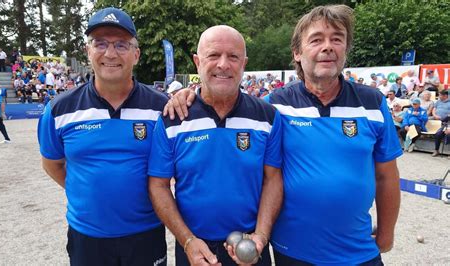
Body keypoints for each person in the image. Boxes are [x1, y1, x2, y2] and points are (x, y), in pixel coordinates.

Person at [165, 5, 402, 265]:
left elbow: (386, 175)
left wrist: (387, 235)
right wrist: (190, 93)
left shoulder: (372, 103)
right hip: (292, 252)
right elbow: (228, 98)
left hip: (358, 251)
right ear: (298, 53)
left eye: (337, 38)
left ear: (346, 49)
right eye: (316, 40)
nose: (328, 46)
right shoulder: (274, 107)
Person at [37, 7, 168, 265]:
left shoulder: (161, 107)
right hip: (88, 237)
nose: (110, 54)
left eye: (121, 44)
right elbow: (52, 164)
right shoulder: (59, 109)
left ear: (136, 54)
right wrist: (87, 191)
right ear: (88, 51)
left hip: (145, 235)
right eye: (100, 44)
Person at [149, 25, 283, 266]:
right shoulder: (173, 117)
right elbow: (158, 185)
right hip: (195, 248)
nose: (223, 64)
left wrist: (261, 236)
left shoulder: (267, 116)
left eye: (233, 56)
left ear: (244, 63)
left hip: (251, 246)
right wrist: (187, 240)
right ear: (197, 62)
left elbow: (273, 179)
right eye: (213, 55)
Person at [431, 90, 450, 156]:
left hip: (447, 121)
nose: (439, 96)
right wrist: (435, 115)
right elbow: (434, 109)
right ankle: (436, 150)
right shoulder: (438, 101)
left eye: (440, 95)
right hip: (440, 121)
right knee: (438, 134)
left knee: (449, 134)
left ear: (445, 96)